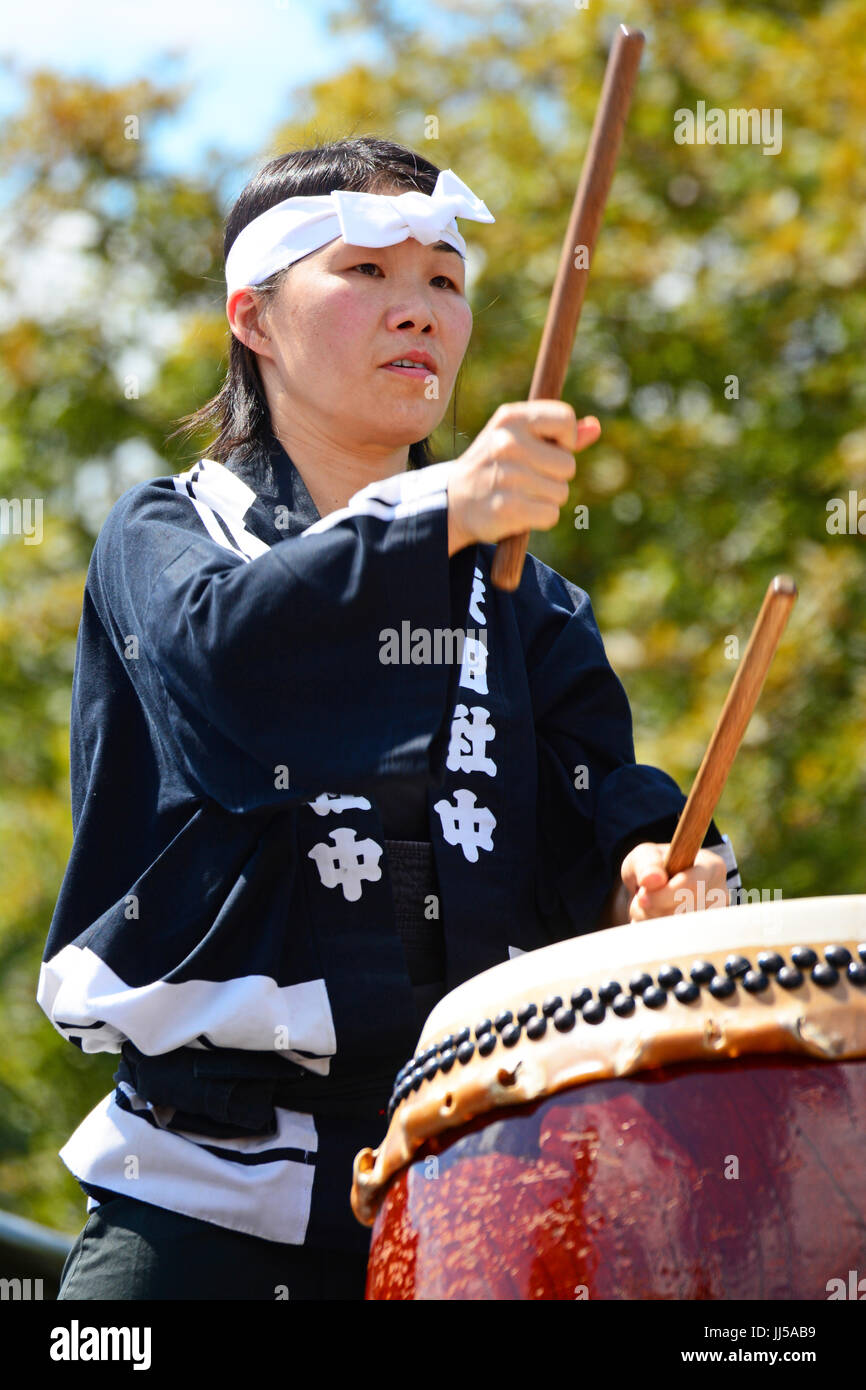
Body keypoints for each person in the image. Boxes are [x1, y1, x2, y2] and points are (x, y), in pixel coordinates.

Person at [41, 137, 740, 1301]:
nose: (415, 309)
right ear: (253, 319)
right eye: (364, 271)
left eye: (443, 281)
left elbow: (594, 829)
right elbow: (233, 690)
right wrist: (441, 510)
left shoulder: (526, 602)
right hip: (197, 1204)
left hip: (473, 1197)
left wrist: (648, 883)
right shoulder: (167, 535)